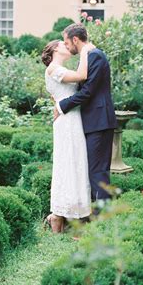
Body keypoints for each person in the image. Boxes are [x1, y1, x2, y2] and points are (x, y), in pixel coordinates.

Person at [54, 23, 118, 211]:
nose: (66, 47)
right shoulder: (87, 56)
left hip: (100, 121)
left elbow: (88, 91)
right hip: (94, 121)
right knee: (93, 168)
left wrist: (62, 106)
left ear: (75, 39)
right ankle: (97, 211)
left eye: (67, 43)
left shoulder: (95, 56)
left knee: (98, 170)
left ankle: (102, 214)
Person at [42, 38, 95, 232]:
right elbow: (82, 75)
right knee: (67, 163)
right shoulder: (53, 69)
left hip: (72, 118)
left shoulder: (58, 69)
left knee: (75, 162)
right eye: (63, 44)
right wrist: (85, 50)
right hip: (66, 121)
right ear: (56, 49)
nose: (67, 46)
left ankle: (66, 214)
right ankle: (58, 215)